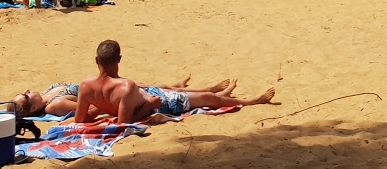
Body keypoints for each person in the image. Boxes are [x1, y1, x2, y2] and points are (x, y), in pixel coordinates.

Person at [77, 40, 273, 124]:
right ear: (119, 60)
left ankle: (222, 94)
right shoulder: (125, 86)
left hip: (152, 96)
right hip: (160, 103)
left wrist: (98, 110)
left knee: (200, 96)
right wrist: (149, 106)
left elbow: (80, 120)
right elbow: (124, 123)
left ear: (96, 61)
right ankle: (252, 101)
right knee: (208, 98)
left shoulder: (85, 86)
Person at [12, 76, 231, 119]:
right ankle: (213, 96)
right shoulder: (54, 105)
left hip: (100, 87)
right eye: (26, 95)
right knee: (151, 91)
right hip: (104, 94)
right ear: (32, 109)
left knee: (151, 85)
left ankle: (207, 91)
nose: (29, 90)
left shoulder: (48, 93)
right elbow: (88, 110)